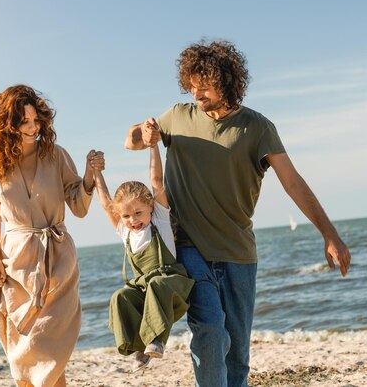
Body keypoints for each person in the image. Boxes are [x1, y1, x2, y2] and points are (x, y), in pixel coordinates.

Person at [124, 40, 352, 387]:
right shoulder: (178, 116)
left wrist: (329, 234)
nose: (195, 92)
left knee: (238, 354)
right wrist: (145, 132)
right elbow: (132, 141)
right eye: (190, 84)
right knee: (210, 330)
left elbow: (292, 182)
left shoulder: (257, 128)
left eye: (204, 85)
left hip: (239, 254)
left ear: (226, 81)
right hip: (188, 248)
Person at [0, 84, 104, 387]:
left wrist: (88, 176)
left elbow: (77, 203)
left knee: (49, 349)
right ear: (8, 125)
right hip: (15, 264)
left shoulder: (56, 156)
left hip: (57, 260)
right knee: (22, 351)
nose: (33, 128)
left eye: (36, 121)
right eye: (24, 122)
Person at [90, 143, 194, 372]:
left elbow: (157, 181)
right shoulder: (125, 231)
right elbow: (107, 203)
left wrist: (153, 146)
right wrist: (97, 172)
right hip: (146, 292)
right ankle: (140, 347)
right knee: (121, 296)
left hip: (172, 285)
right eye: (126, 215)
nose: (133, 219)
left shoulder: (159, 220)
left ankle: (157, 339)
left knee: (156, 284)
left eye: (138, 213)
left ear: (149, 207)